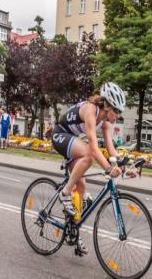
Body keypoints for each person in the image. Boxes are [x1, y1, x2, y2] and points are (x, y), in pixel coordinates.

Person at [52, 82, 136, 256]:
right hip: (60, 135)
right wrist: (107, 168)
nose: (118, 116)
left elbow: (110, 148)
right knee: (89, 155)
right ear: (106, 105)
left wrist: (122, 166)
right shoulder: (91, 111)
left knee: (82, 186)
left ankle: (73, 232)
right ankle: (65, 193)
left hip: (73, 140)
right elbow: (93, 146)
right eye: (117, 111)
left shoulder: (105, 122)